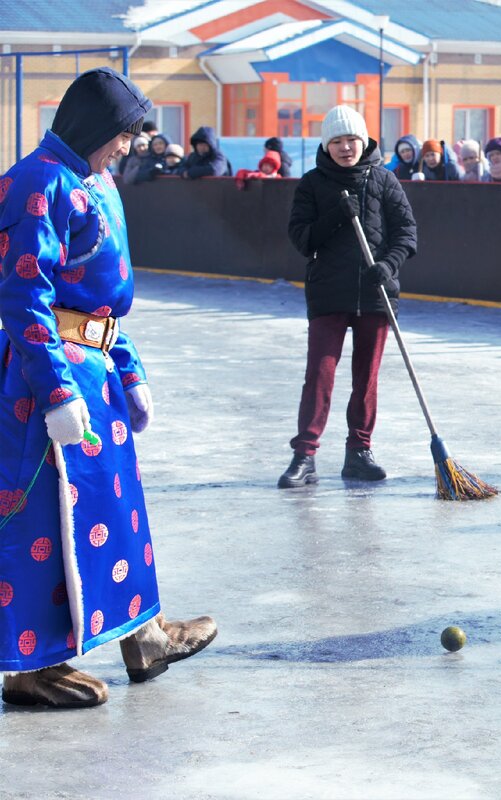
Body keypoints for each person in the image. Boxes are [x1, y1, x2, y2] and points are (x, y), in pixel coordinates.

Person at [0, 67, 217, 709]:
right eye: (123, 133)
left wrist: (126, 365)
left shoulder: (92, 180)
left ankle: (144, 636)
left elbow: (97, 296)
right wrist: (58, 393)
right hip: (50, 381)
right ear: (95, 127)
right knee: (45, 518)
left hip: (95, 374)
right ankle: (31, 666)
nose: (128, 145)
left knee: (114, 513)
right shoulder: (37, 181)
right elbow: (24, 295)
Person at [279, 105, 418, 489]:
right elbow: (302, 239)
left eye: (351, 140)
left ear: (364, 140)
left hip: (375, 295)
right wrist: (337, 216)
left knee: (366, 378)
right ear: (327, 144)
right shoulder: (312, 183)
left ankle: (359, 451)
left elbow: (407, 233)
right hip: (328, 294)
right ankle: (305, 455)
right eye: (337, 141)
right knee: (320, 376)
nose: (345, 148)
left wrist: (387, 267)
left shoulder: (385, 180)